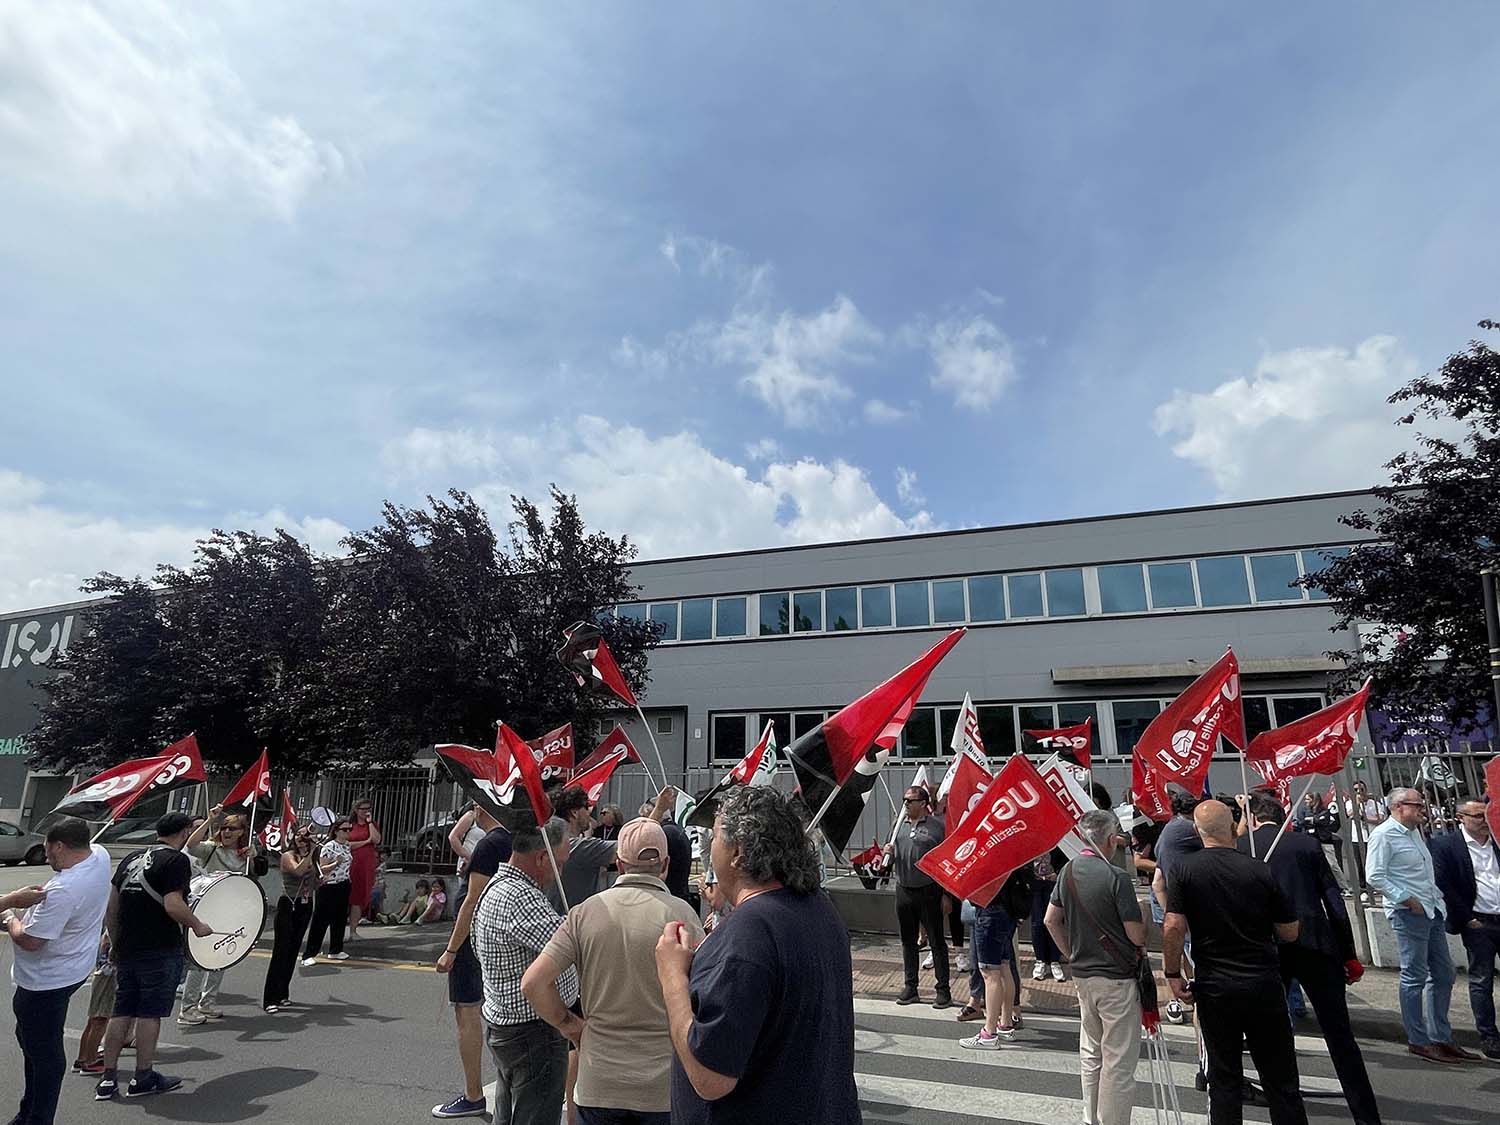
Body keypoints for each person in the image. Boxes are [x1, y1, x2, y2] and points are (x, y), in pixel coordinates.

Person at [655, 785, 860, 1124]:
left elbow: (710, 1078)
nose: (708, 846)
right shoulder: (818, 907)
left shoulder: (750, 932)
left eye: (715, 836)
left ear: (737, 852)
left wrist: (673, 977)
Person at [522, 817, 704, 1124]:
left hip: (598, 1081)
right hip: (662, 1086)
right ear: (666, 864)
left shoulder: (584, 913)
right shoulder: (682, 915)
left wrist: (571, 1025)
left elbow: (534, 983)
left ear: (619, 864)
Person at [1239, 793, 1382, 1122]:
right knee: (1340, 1035)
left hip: (1269, 946)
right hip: (1317, 941)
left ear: (1256, 818)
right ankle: (1366, 1115)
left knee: (1274, 1038)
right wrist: (1348, 954)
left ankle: (1288, 1112)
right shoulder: (1306, 845)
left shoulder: (1243, 847)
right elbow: (1334, 901)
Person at [1163, 800, 1306, 1125]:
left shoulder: (1184, 870)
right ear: (1232, 828)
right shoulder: (1260, 869)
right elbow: (1289, 932)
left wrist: (1172, 972)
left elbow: (1172, 926)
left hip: (1214, 986)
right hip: (1262, 984)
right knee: (1281, 1080)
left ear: (1198, 833)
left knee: (1224, 1080)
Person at [96, 811, 215, 1101]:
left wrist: (114, 940)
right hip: (159, 947)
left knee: (122, 1010)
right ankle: (143, 1076)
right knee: (149, 1014)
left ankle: (108, 1078)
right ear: (186, 831)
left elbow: (113, 905)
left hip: (128, 947)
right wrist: (197, 925)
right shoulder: (176, 860)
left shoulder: (131, 858)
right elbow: (173, 904)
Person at [2, 815, 111, 1125]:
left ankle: (37, 1118)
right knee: (31, 1040)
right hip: (71, 969)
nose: (45, 856)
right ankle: (30, 1112)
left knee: (43, 1052)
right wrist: (14, 900)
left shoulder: (64, 889)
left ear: (60, 846)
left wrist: (11, 916)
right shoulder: (99, 855)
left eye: (48, 851)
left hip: (45, 980)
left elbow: (31, 940)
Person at [1044, 809, 1148, 1125]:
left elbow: (1051, 920)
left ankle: (1091, 1118)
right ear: (1109, 838)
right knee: (1118, 1060)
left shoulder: (1068, 871)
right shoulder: (1116, 877)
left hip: (1083, 975)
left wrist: (1071, 954)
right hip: (1116, 978)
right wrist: (1142, 917)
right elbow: (1135, 934)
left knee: (1091, 1052)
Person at [471, 817, 576, 1125]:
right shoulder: (520, 897)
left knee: (512, 1113)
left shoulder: (503, 887)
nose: (561, 872)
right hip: (533, 1033)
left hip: (512, 1029)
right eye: (560, 862)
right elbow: (572, 945)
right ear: (542, 857)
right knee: (535, 1116)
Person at [1367, 787, 1478, 1062]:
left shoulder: (1415, 832)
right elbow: (1374, 875)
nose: (1422, 809)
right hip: (1409, 912)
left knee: (1443, 974)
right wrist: (1406, 899)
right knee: (1413, 976)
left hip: (1431, 910)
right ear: (1398, 806)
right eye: (1416, 805)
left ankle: (1441, 1036)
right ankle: (1418, 1039)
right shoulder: (1384, 834)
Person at [433, 804, 511, 1120]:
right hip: (500, 933)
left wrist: (451, 949)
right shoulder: (515, 838)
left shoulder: (489, 844)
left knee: (467, 1010)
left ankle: (473, 1093)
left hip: (474, 937)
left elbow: (471, 901)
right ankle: (508, 1090)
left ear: (480, 807)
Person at [1433, 798, 1500, 1060]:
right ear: (1461, 817)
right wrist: (1467, 918)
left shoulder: (1496, 841)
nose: (1484, 821)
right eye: (1477, 817)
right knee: (1482, 980)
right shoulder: (1446, 846)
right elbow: (1444, 885)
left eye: (1486, 816)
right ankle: (1489, 1035)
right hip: (1478, 922)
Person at [178, 806, 255, 1024]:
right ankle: (187, 1008)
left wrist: (253, 856)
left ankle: (207, 1003)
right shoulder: (211, 848)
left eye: (232, 828)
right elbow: (191, 846)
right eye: (223, 828)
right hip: (207, 907)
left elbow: (249, 880)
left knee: (222, 959)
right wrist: (208, 821)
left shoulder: (246, 853)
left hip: (230, 909)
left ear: (242, 832)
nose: (227, 832)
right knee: (199, 961)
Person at [883, 785, 951, 1008]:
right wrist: (888, 855)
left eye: (910, 800)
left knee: (936, 941)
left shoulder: (936, 827)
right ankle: (910, 987)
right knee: (908, 941)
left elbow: (945, 862)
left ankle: (943, 990)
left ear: (922, 803)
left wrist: (946, 895)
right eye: (904, 800)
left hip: (929, 890)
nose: (905, 804)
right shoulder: (898, 826)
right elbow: (889, 861)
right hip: (904, 889)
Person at [958, 871, 1025, 1050]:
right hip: (1008, 912)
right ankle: (1005, 1023)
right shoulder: (1011, 853)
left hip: (989, 910)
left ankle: (989, 1032)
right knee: (1004, 967)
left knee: (990, 973)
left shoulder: (988, 857)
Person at [262, 825, 316, 1013]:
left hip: (305, 904)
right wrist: (311, 854)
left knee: (293, 951)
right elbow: (298, 872)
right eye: (300, 836)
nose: (303, 839)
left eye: (306, 837)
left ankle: (282, 993)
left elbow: (315, 880)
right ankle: (270, 998)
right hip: (289, 904)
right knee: (281, 951)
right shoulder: (288, 856)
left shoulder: (310, 858)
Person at [303, 818, 354, 964]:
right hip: (328, 886)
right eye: (345, 830)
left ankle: (336, 949)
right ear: (336, 831)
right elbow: (322, 868)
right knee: (321, 919)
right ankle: (309, 953)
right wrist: (336, 863)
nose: (348, 832)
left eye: (349, 829)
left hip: (343, 884)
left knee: (339, 918)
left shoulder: (347, 846)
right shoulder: (329, 846)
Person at [1295, 791, 1349, 893]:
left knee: (1332, 864)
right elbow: (1301, 822)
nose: (1305, 801)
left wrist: (1312, 821)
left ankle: (1344, 887)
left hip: (1325, 841)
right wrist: (1313, 820)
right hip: (1310, 841)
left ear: (1314, 800)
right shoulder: (1304, 810)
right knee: (1310, 865)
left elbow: (1322, 821)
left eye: (1308, 799)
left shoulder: (1324, 811)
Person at [346, 796, 382, 939]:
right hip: (350, 862)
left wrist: (369, 822)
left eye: (369, 809)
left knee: (358, 897)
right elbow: (346, 844)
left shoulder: (371, 824)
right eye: (363, 809)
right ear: (356, 810)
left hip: (366, 863)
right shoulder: (349, 825)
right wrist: (365, 841)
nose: (366, 811)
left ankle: (353, 931)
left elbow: (376, 840)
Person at [1030, 848, 1066, 982]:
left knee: (1054, 921)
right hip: (1034, 883)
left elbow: (1064, 857)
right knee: (1037, 923)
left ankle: (1055, 960)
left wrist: (1057, 874)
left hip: (1053, 882)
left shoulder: (1056, 838)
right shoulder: (1029, 838)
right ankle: (1040, 960)